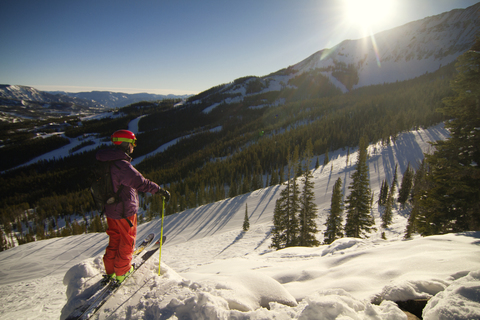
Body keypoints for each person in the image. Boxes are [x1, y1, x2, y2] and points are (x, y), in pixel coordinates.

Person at [96, 129, 170, 283]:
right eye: (133, 143)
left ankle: (110, 271)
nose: (134, 147)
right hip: (124, 211)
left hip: (110, 209)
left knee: (115, 239)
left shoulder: (106, 161)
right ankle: (122, 272)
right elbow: (140, 183)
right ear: (125, 144)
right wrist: (159, 190)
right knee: (127, 240)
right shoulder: (122, 165)